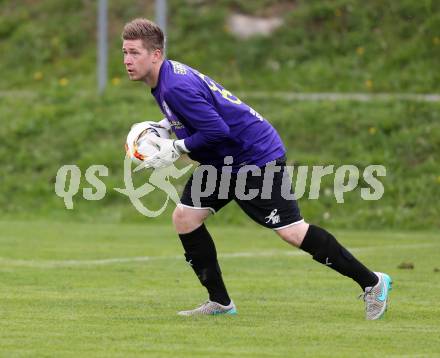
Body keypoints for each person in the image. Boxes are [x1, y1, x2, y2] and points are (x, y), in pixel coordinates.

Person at [121, 18, 392, 320]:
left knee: (292, 232)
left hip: (254, 157)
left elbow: (218, 131)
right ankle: (220, 303)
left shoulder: (174, 87)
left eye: (134, 53)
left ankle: (373, 282)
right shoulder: (167, 80)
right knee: (185, 218)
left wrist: (177, 147)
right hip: (223, 162)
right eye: (124, 52)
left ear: (156, 54)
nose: (127, 61)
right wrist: (164, 128)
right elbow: (206, 114)